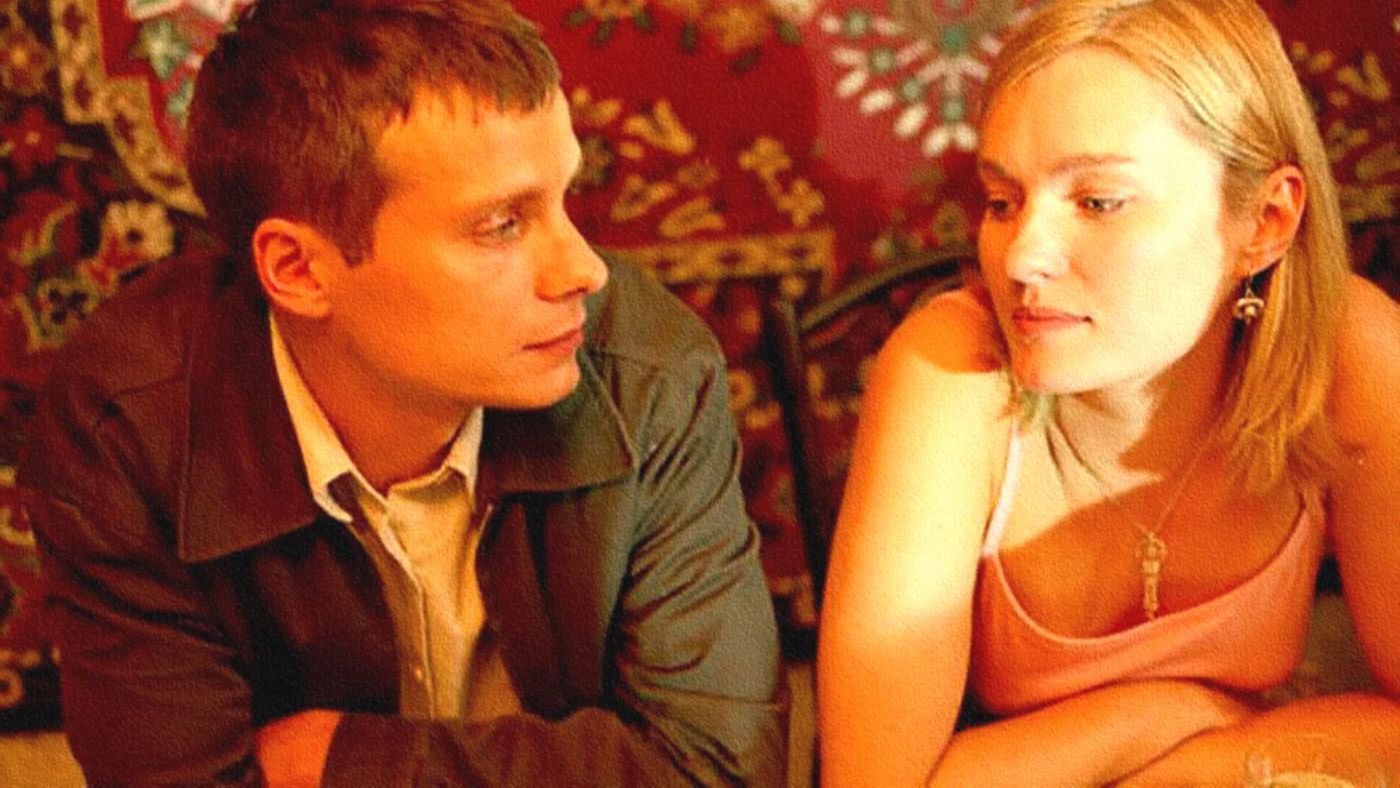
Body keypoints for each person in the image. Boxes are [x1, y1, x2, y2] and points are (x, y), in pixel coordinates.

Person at [21, 1, 786, 785]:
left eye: (563, 198)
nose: (583, 270)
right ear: (298, 269)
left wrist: (338, 762)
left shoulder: (647, 371)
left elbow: (722, 769)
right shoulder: (125, 432)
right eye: (501, 225)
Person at [817, 0, 1400, 784]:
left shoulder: (1348, 348)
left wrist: (1194, 765)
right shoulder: (951, 371)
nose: (1021, 257)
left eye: (1098, 202)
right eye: (1002, 202)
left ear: (1265, 220)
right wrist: (1169, 715)